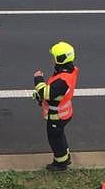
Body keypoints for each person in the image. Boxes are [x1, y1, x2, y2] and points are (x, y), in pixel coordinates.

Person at [32, 41, 78, 172]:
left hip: (57, 116)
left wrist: (38, 79)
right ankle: (64, 156)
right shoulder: (68, 71)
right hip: (63, 112)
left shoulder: (62, 80)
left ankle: (60, 163)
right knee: (59, 136)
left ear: (61, 58)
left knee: (54, 138)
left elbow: (46, 93)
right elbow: (54, 94)